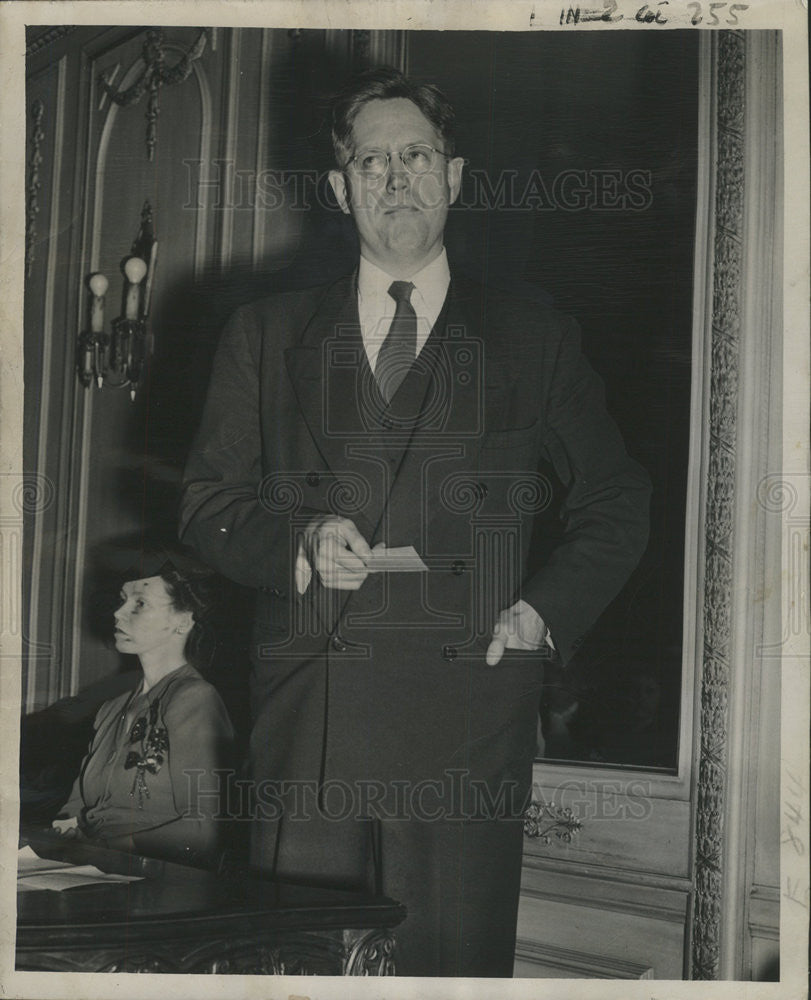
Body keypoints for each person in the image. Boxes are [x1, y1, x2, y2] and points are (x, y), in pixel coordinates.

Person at [180, 67, 651, 975]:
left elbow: (615, 498)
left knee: (446, 972)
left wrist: (540, 614)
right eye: (371, 161)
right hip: (307, 719)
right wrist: (299, 543)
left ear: (456, 175)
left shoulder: (532, 335)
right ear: (337, 187)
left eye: (416, 156)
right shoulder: (264, 332)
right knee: (301, 972)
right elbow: (207, 504)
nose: (395, 179)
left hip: (464, 728)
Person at [52, 555, 235, 867]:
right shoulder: (111, 708)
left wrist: (107, 849)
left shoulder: (195, 700)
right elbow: (74, 808)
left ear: (184, 620)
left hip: (159, 877)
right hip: (95, 870)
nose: (118, 613)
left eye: (139, 604)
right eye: (123, 600)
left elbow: (204, 832)